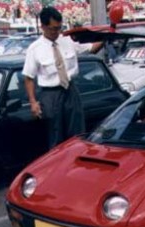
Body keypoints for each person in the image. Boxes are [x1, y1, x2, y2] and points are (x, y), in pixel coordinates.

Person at [23, 6, 103, 149]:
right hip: (50, 96)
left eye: (59, 28)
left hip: (71, 91)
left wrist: (108, 36)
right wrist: (33, 102)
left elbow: (91, 48)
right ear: (43, 27)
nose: (56, 32)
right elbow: (28, 77)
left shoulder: (67, 41)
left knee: (77, 133)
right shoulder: (35, 49)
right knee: (55, 134)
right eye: (53, 29)